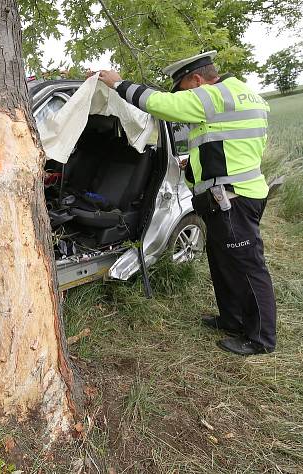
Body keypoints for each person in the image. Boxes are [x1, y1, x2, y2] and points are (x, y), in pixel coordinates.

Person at [97, 51, 277, 356]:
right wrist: (193, 166)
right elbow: (226, 145)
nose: (181, 95)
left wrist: (118, 83)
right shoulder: (244, 94)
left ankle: (260, 338)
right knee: (222, 261)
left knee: (247, 267)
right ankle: (232, 320)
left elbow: (159, 105)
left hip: (231, 198)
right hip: (235, 193)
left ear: (196, 79)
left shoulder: (214, 96)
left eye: (181, 88)